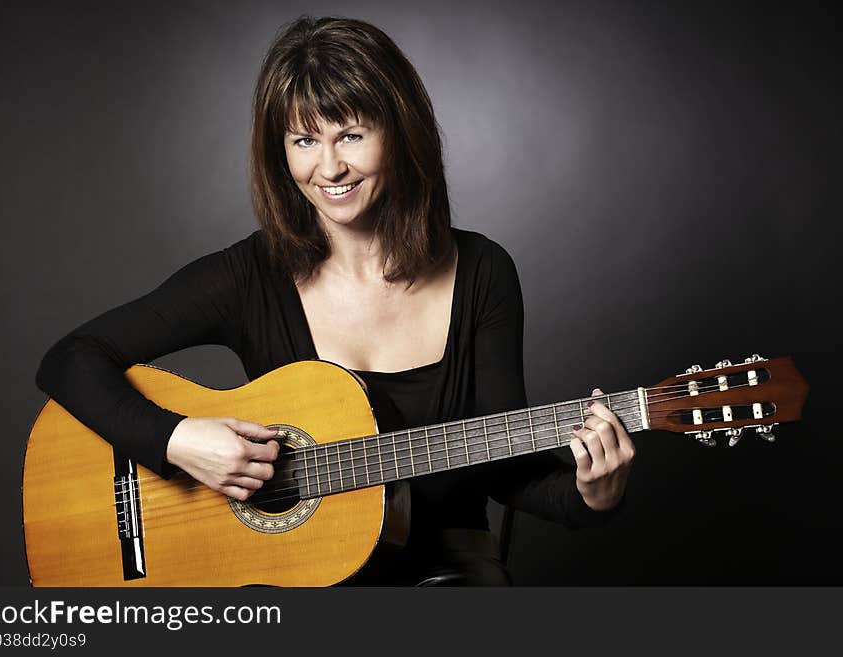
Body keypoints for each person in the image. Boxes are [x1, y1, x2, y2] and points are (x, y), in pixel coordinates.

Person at [35, 15, 635, 585]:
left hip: (444, 570)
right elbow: (71, 358)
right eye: (304, 140)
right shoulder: (250, 277)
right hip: (292, 577)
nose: (330, 168)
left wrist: (594, 494)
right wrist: (176, 440)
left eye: (351, 134)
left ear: (399, 134)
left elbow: (505, 468)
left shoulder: (481, 271)